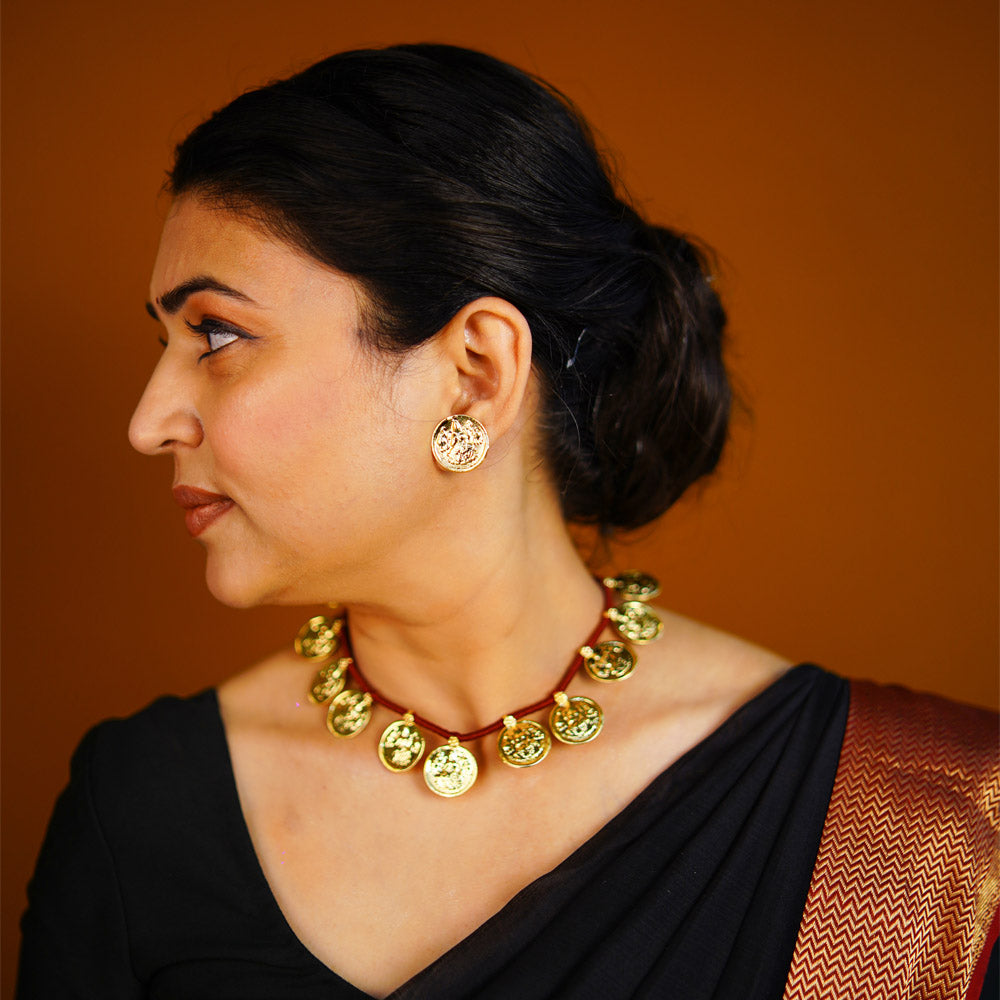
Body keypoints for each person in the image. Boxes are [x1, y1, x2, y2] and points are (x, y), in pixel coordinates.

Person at [17, 43, 997, 1000]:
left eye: (217, 334)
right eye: (164, 343)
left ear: (476, 373)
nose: (149, 421)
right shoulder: (142, 807)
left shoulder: (925, 822)